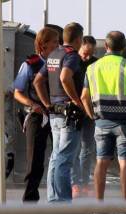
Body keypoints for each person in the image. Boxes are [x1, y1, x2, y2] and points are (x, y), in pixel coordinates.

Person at [81, 31, 126, 214]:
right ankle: (125, 208)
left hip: (102, 122)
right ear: (124, 47)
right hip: (125, 123)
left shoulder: (93, 68)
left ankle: (98, 208)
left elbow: (84, 96)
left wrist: (92, 115)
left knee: (101, 162)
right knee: (125, 162)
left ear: (106, 47)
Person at [33, 22, 85, 202]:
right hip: (68, 114)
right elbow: (65, 77)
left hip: (55, 112)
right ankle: (63, 200)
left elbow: (38, 81)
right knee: (65, 158)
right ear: (79, 39)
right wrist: (76, 101)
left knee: (56, 156)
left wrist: (47, 103)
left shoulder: (53, 55)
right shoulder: (72, 56)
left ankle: (54, 198)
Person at [13, 27, 59, 202]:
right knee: (35, 160)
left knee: (60, 155)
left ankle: (57, 195)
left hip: (56, 115)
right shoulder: (29, 65)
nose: (58, 45)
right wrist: (33, 105)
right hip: (36, 116)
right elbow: (17, 92)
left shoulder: (59, 62)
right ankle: (30, 197)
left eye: (58, 41)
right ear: (43, 45)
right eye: (54, 42)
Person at [71, 36, 98, 198]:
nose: (87, 57)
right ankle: (75, 183)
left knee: (88, 148)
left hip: (90, 111)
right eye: (85, 53)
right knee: (74, 148)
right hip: (74, 110)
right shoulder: (72, 61)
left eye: (90, 54)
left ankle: (85, 182)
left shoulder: (96, 63)